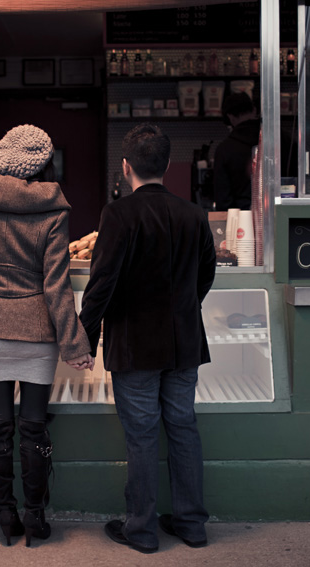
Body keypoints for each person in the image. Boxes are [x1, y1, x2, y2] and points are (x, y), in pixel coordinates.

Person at [78, 123, 217, 553]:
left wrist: (84, 335)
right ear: (168, 165)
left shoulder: (117, 215)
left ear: (125, 167)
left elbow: (101, 284)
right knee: (183, 429)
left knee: (141, 437)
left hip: (136, 347)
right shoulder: (194, 214)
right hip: (183, 345)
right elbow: (205, 275)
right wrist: (182, 309)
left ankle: (140, 530)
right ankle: (192, 524)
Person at [0, 124, 94, 547]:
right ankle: (35, 516)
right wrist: (75, 343)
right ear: (41, 165)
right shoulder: (53, 210)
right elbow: (57, 287)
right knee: (33, 427)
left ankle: (5, 515)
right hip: (37, 332)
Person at [212, 91, 261, 211]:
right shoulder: (280, 140)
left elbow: (223, 201)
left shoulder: (225, 149)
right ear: (254, 110)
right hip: (280, 216)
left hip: (241, 221)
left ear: (230, 117)